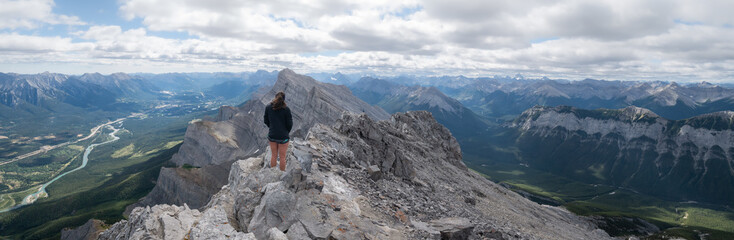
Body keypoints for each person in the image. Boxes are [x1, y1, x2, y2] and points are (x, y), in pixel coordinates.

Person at [264, 91, 293, 171]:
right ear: (283, 99)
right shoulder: (286, 109)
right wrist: (286, 131)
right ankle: (282, 174)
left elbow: (265, 120)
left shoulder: (268, 107)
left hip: (272, 135)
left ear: (275, 97)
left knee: (274, 155)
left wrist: (272, 127)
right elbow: (289, 124)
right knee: (282, 157)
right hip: (283, 137)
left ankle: (273, 174)